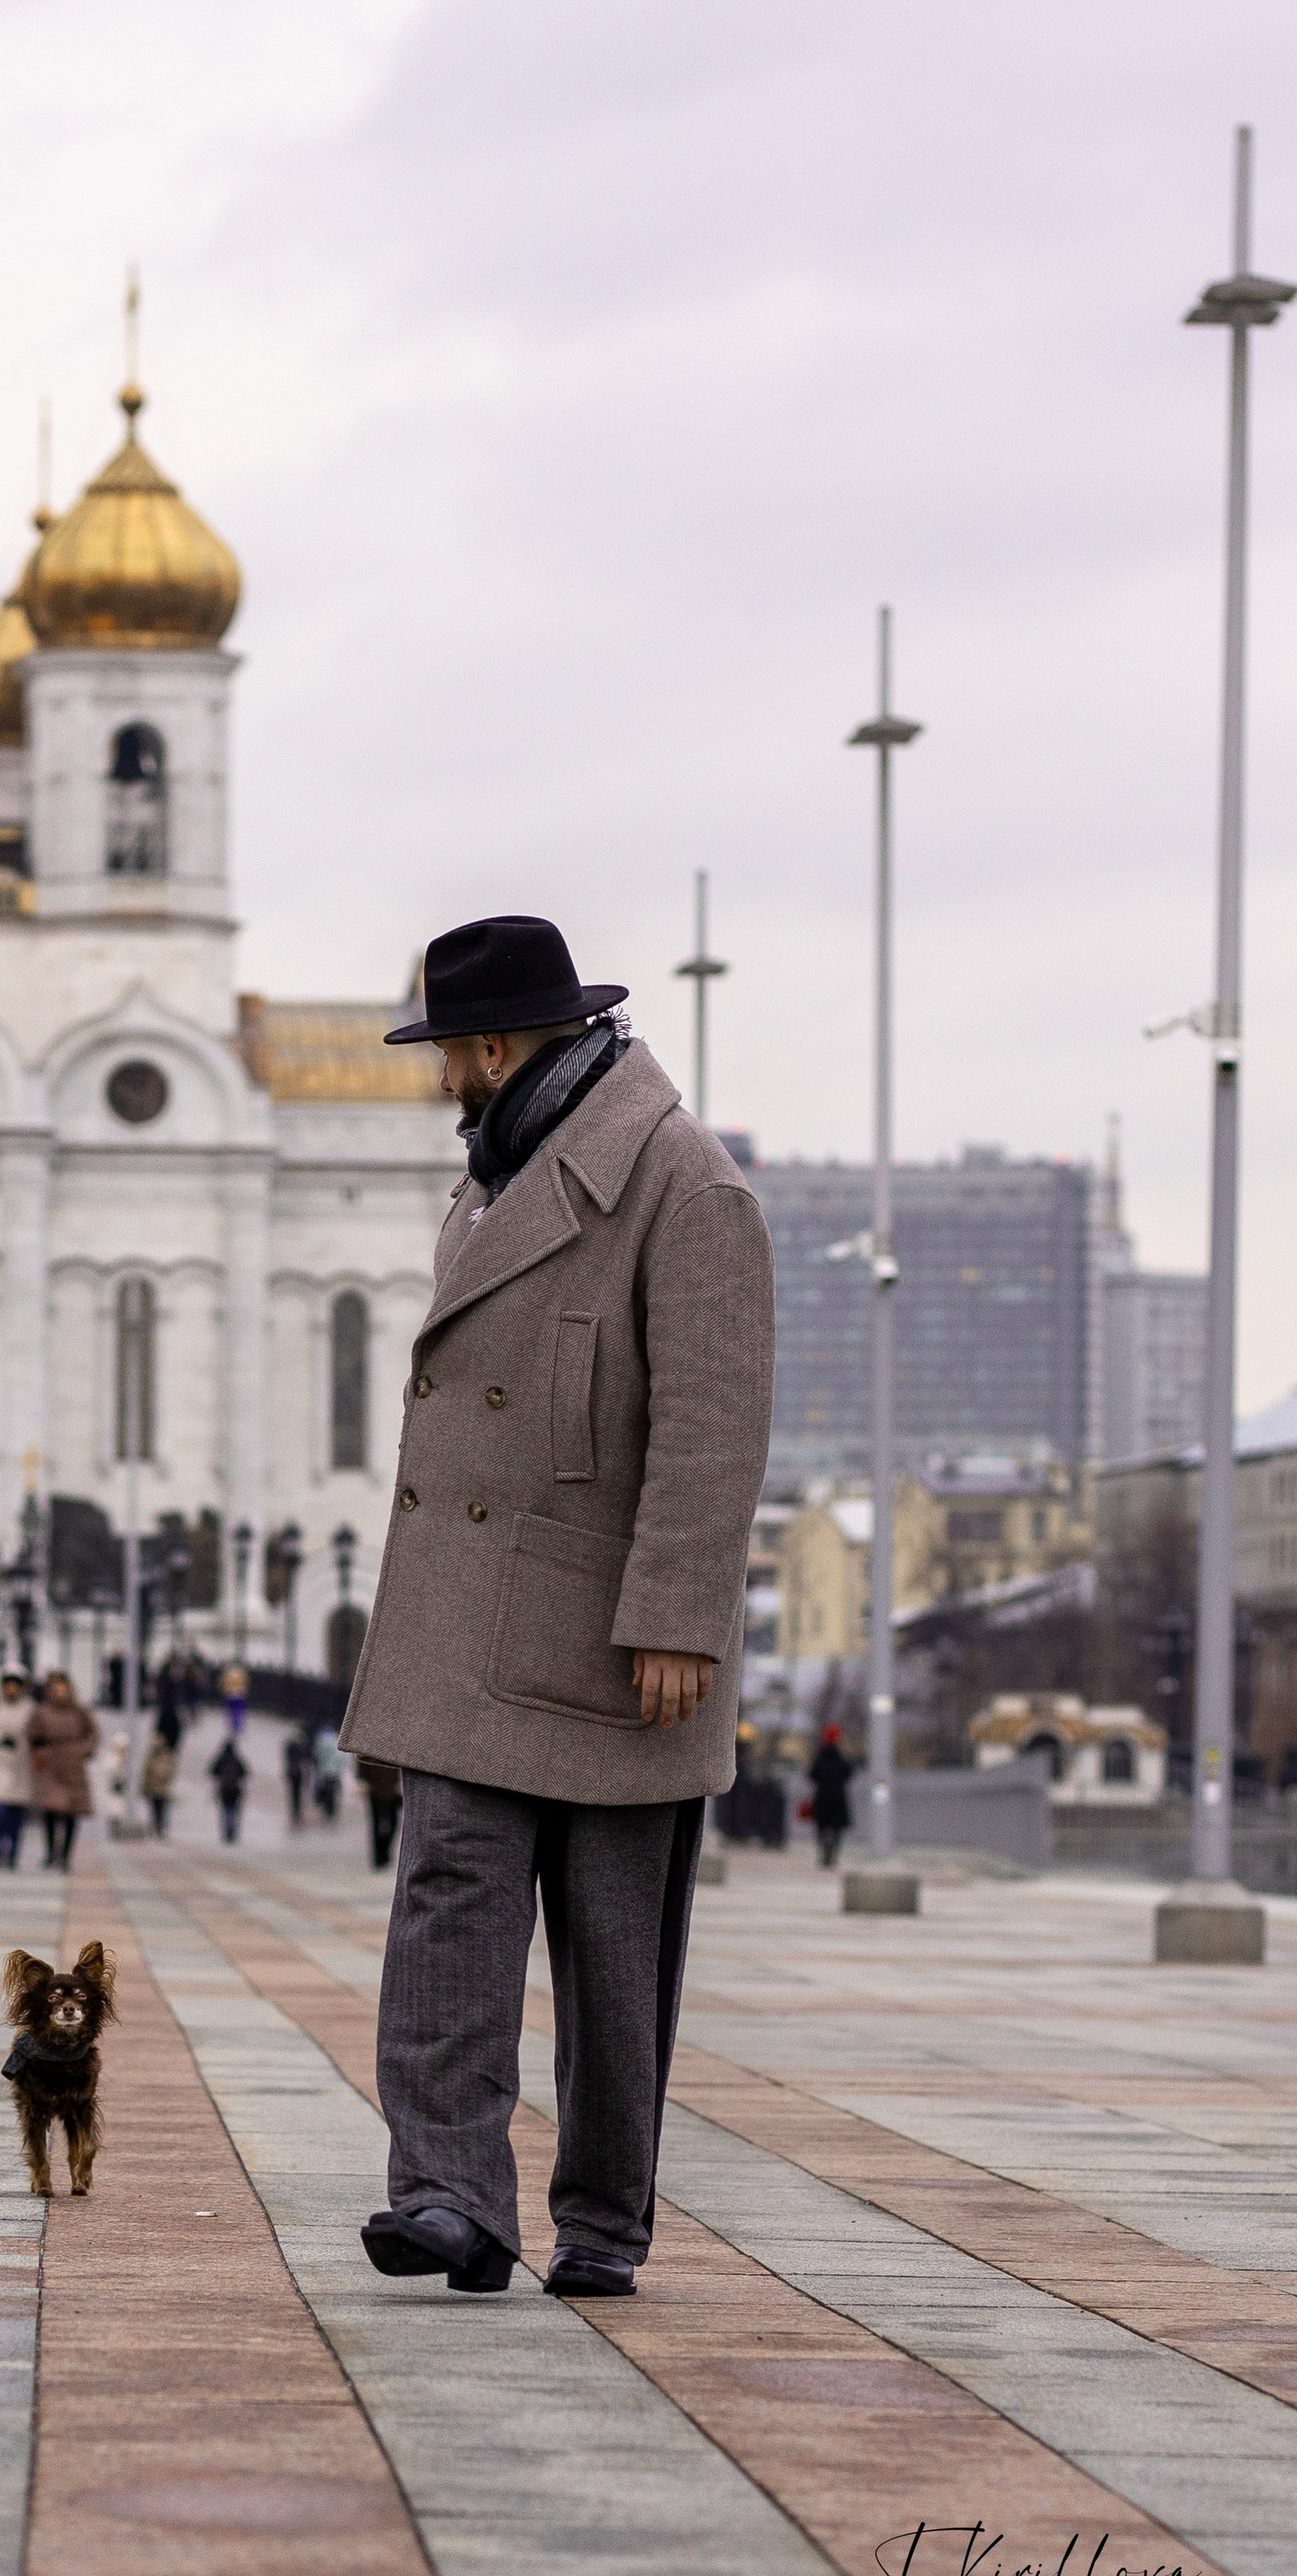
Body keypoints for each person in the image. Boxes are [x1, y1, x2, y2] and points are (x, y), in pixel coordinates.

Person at [340, 914, 773, 2302]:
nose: (442, 1087)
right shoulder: (496, 1175)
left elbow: (716, 1422)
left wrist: (680, 1614)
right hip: (471, 1626)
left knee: (612, 1946)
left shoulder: (680, 1182)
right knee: (448, 1909)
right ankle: (448, 2196)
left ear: (488, 1047)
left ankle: (601, 2215)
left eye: (447, 1059)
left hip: (613, 1634)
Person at [28, 1671, 97, 1870]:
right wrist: (42, 1754)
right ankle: (51, 1853)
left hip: (73, 1767)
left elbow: (92, 1735)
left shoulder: (79, 1712)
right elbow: (32, 1737)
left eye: (63, 1689)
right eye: (56, 1689)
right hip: (51, 1766)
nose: (60, 1693)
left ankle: (65, 1855)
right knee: (51, 1809)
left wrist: (82, 1751)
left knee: (71, 1813)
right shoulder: (42, 1712)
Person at [0, 1669, 36, 1869]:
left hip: (21, 1763)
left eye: (15, 1684)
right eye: (8, 1684)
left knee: (16, 1814)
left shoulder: (29, 1707)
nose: (11, 1689)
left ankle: (12, 1855)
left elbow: (36, 1732)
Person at [807, 1723, 855, 1869]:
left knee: (822, 1828)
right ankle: (832, 1855)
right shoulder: (840, 1757)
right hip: (838, 1798)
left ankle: (824, 1855)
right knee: (837, 1829)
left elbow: (812, 1774)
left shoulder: (820, 1757)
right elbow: (848, 1773)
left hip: (822, 1797)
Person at [358, 1758, 404, 1872]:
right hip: (376, 1790)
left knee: (391, 1822)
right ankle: (379, 1856)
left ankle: (384, 1854)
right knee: (377, 1823)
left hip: (391, 1790)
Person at [208, 1734, 248, 1844]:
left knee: (225, 1812)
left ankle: (226, 1833)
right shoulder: (237, 1759)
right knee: (234, 1812)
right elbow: (245, 1772)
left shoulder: (221, 1759)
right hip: (236, 1791)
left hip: (224, 1790)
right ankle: (233, 1833)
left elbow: (212, 1771)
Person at [140, 1731, 178, 1838]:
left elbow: (171, 1769)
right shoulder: (150, 1756)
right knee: (153, 1810)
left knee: (162, 1810)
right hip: (152, 1788)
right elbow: (145, 1772)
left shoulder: (168, 1755)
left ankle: (160, 1829)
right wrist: (144, 1787)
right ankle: (154, 1828)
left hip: (163, 1788)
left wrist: (164, 1774)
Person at [311, 1724, 343, 1823]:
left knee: (325, 1791)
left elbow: (317, 1754)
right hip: (335, 1772)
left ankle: (327, 1811)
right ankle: (332, 1813)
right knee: (333, 1792)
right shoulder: (337, 1741)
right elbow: (341, 1758)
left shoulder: (321, 1741)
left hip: (325, 1771)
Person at [283, 1724, 311, 1828]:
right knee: (298, 1793)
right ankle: (297, 1811)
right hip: (299, 1773)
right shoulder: (303, 1745)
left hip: (292, 1772)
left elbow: (286, 1758)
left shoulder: (290, 1745)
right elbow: (307, 1759)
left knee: (293, 1793)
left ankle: (295, 1811)